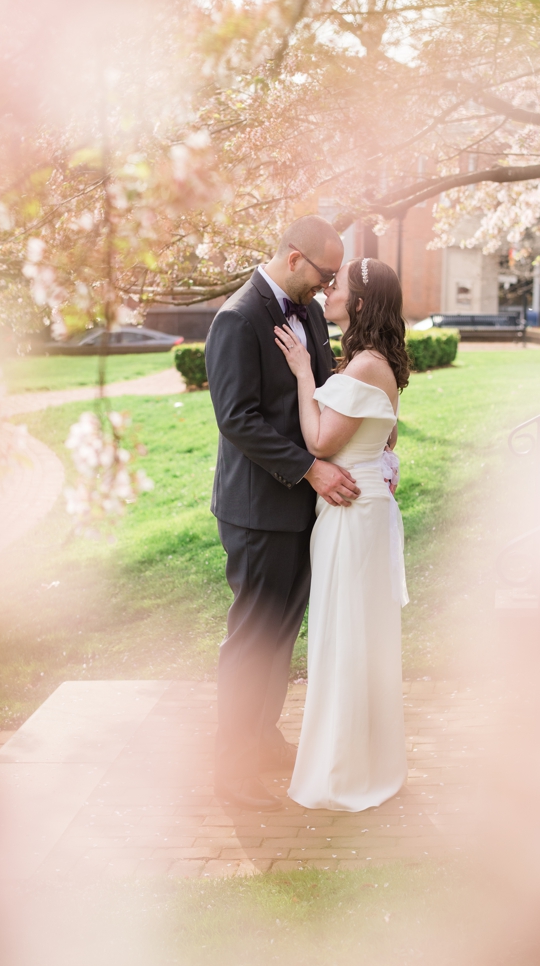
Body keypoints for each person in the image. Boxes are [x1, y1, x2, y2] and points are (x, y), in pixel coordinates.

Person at [206, 216, 361, 812]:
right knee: (252, 639)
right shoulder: (237, 318)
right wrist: (308, 469)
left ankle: (262, 737)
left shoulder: (312, 315)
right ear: (295, 258)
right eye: (324, 275)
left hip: (302, 509)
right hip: (257, 508)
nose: (328, 289)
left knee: (281, 634)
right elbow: (237, 417)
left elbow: (321, 391)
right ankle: (231, 766)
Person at [275, 255, 411, 811]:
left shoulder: (364, 366)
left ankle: (346, 771)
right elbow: (388, 441)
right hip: (364, 511)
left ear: (357, 303)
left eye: (338, 287)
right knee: (355, 635)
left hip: (352, 518)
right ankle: (362, 758)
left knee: (347, 637)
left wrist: (306, 373)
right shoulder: (374, 362)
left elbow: (319, 443)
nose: (327, 292)